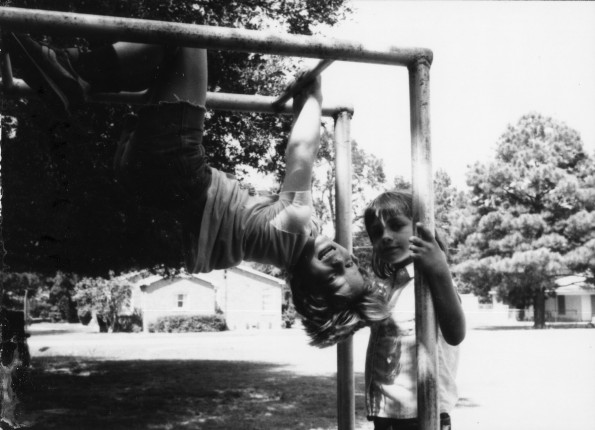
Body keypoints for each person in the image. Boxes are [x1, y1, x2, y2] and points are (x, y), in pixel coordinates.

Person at [5, 33, 388, 347]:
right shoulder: (276, 249)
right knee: (166, 64)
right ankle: (73, 72)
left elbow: (302, 151)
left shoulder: (294, 225)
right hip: (158, 183)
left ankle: (72, 71)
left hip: (179, 173)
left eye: (333, 274)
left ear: (305, 286)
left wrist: (314, 96)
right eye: (350, 262)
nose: (340, 258)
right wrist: (304, 99)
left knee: (187, 40)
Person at [363, 190, 466, 429]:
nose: (385, 236)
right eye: (377, 233)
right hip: (387, 414)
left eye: (396, 226)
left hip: (422, 416)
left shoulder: (430, 283)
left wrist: (439, 269)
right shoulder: (391, 288)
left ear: (421, 231)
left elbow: (456, 333)